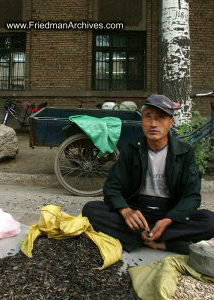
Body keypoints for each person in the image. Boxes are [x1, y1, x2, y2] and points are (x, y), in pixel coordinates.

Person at [82, 95, 214, 254]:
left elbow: (192, 196)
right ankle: (162, 241)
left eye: (160, 118)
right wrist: (125, 210)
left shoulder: (184, 152)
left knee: (210, 221)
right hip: (138, 211)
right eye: (148, 117)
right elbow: (111, 188)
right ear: (142, 121)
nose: (153, 124)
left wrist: (169, 219)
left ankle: (138, 238)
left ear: (170, 123)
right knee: (90, 210)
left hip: (169, 211)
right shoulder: (131, 150)